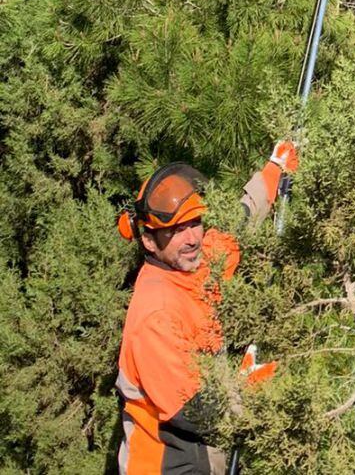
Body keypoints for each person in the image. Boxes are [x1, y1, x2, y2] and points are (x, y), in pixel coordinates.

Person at [115, 141, 298, 474]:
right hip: (167, 464)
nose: (192, 238)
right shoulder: (156, 313)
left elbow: (237, 227)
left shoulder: (192, 266)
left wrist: (274, 171)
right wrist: (247, 387)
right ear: (148, 240)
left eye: (195, 223)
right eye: (175, 230)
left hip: (202, 455)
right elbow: (198, 410)